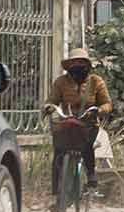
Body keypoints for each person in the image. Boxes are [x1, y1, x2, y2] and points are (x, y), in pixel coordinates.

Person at [42, 49, 113, 195]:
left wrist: (98, 111)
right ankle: (57, 194)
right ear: (69, 66)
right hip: (67, 122)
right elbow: (52, 100)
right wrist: (49, 107)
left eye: (81, 62)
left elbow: (107, 104)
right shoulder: (61, 82)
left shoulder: (96, 81)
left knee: (86, 147)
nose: (78, 65)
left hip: (88, 123)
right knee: (58, 152)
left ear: (87, 65)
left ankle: (91, 177)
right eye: (74, 62)